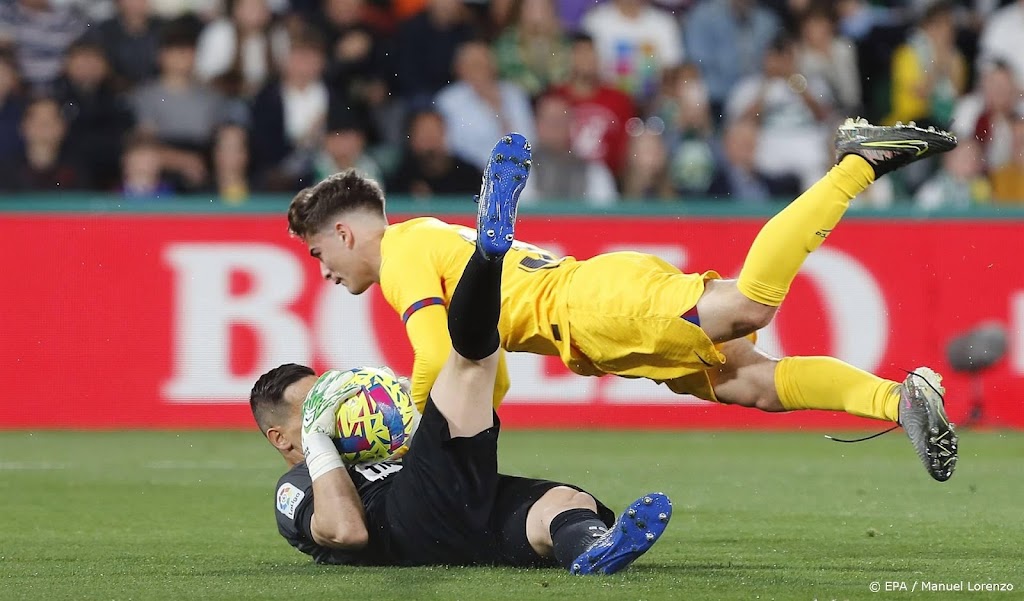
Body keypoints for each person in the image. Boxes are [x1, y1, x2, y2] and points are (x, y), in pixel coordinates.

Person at [286, 121, 960, 482]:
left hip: (590, 307)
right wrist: (467, 428)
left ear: (344, 230)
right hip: (591, 315)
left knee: (748, 306)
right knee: (751, 381)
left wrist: (417, 441)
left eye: (318, 252)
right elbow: (488, 367)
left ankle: (856, 163)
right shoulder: (428, 237)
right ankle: (898, 400)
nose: (322, 270)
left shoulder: (401, 256)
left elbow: (438, 353)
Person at [254, 136, 672, 570]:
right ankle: (488, 258)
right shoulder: (297, 486)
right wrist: (321, 442)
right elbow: (347, 532)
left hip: (462, 507)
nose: (333, 412)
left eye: (329, 398)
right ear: (282, 437)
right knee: (469, 358)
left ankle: (592, 549)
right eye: (313, 409)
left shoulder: (375, 446)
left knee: (563, 502)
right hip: (406, 519)